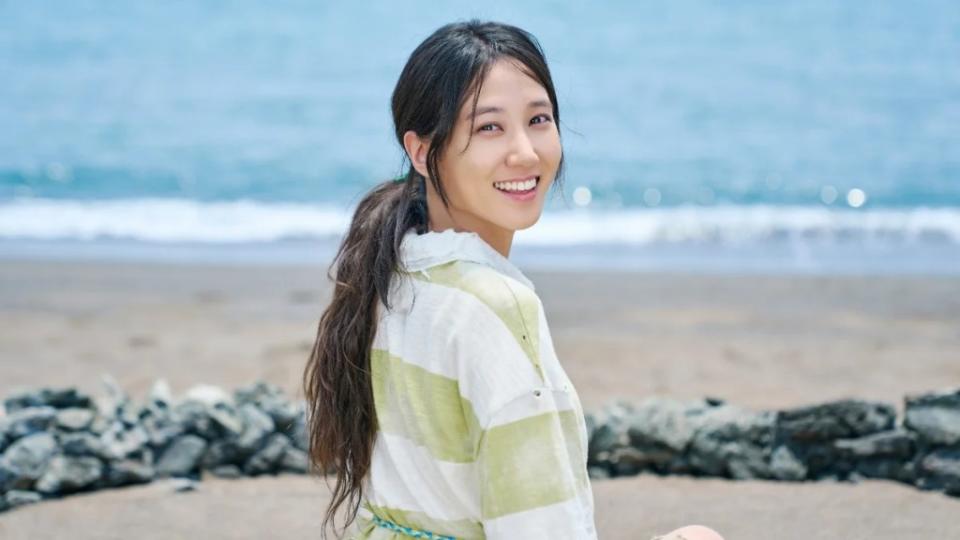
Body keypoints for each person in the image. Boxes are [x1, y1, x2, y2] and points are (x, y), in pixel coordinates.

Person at [303, 19, 724, 540]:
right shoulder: (494, 306)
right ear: (420, 152)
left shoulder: (390, 272)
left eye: (539, 119)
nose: (525, 152)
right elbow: (540, 525)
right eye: (489, 128)